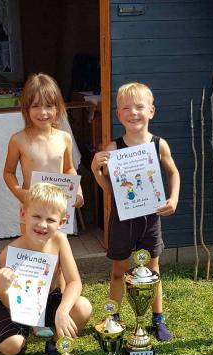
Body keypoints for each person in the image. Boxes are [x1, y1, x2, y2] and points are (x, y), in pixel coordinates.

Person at [90, 82, 181, 341]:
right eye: (126, 108)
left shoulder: (159, 144)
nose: (133, 113)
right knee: (119, 268)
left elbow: (173, 172)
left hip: (151, 218)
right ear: (118, 114)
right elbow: (109, 188)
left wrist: (173, 198)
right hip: (122, 218)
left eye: (139, 107)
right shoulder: (113, 148)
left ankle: (157, 319)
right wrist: (96, 170)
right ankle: (114, 317)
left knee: (152, 268)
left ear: (151, 110)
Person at [3, 73, 84, 337]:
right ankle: (33, 315)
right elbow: (8, 172)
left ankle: (57, 310)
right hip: (33, 213)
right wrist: (21, 193)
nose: (43, 112)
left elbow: (69, 168)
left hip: (57, 213)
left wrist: (78, 188)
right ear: (26, 108)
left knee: (58, 259)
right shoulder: (18, 139)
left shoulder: (64, 138)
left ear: (58, 108)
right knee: (34, 261)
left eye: (49, 106)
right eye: (36, 105)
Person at [0, 183, 93, 355]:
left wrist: (62, 311)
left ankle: (55, 344)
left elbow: (74, 282)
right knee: (10, 345)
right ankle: (20, 342)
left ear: (61, 222)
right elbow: (11, 301)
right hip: (16, 304)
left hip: (49, 298)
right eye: (36, 216)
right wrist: (1, 292)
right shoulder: (9, 252)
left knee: (83, 307)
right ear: (23, 214)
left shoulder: (60, 240)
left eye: (51, 219)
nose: (42, 224)